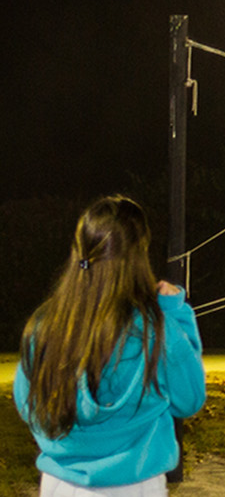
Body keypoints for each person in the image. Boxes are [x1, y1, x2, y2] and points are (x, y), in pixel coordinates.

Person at [14, 196, 206, 495]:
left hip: (61, 485)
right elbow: (189, 399)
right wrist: (175, 312)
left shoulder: (45, 325)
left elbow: (29, 406)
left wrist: (70, 447)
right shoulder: (155, 328)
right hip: (135, 483)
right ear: (138, 254)